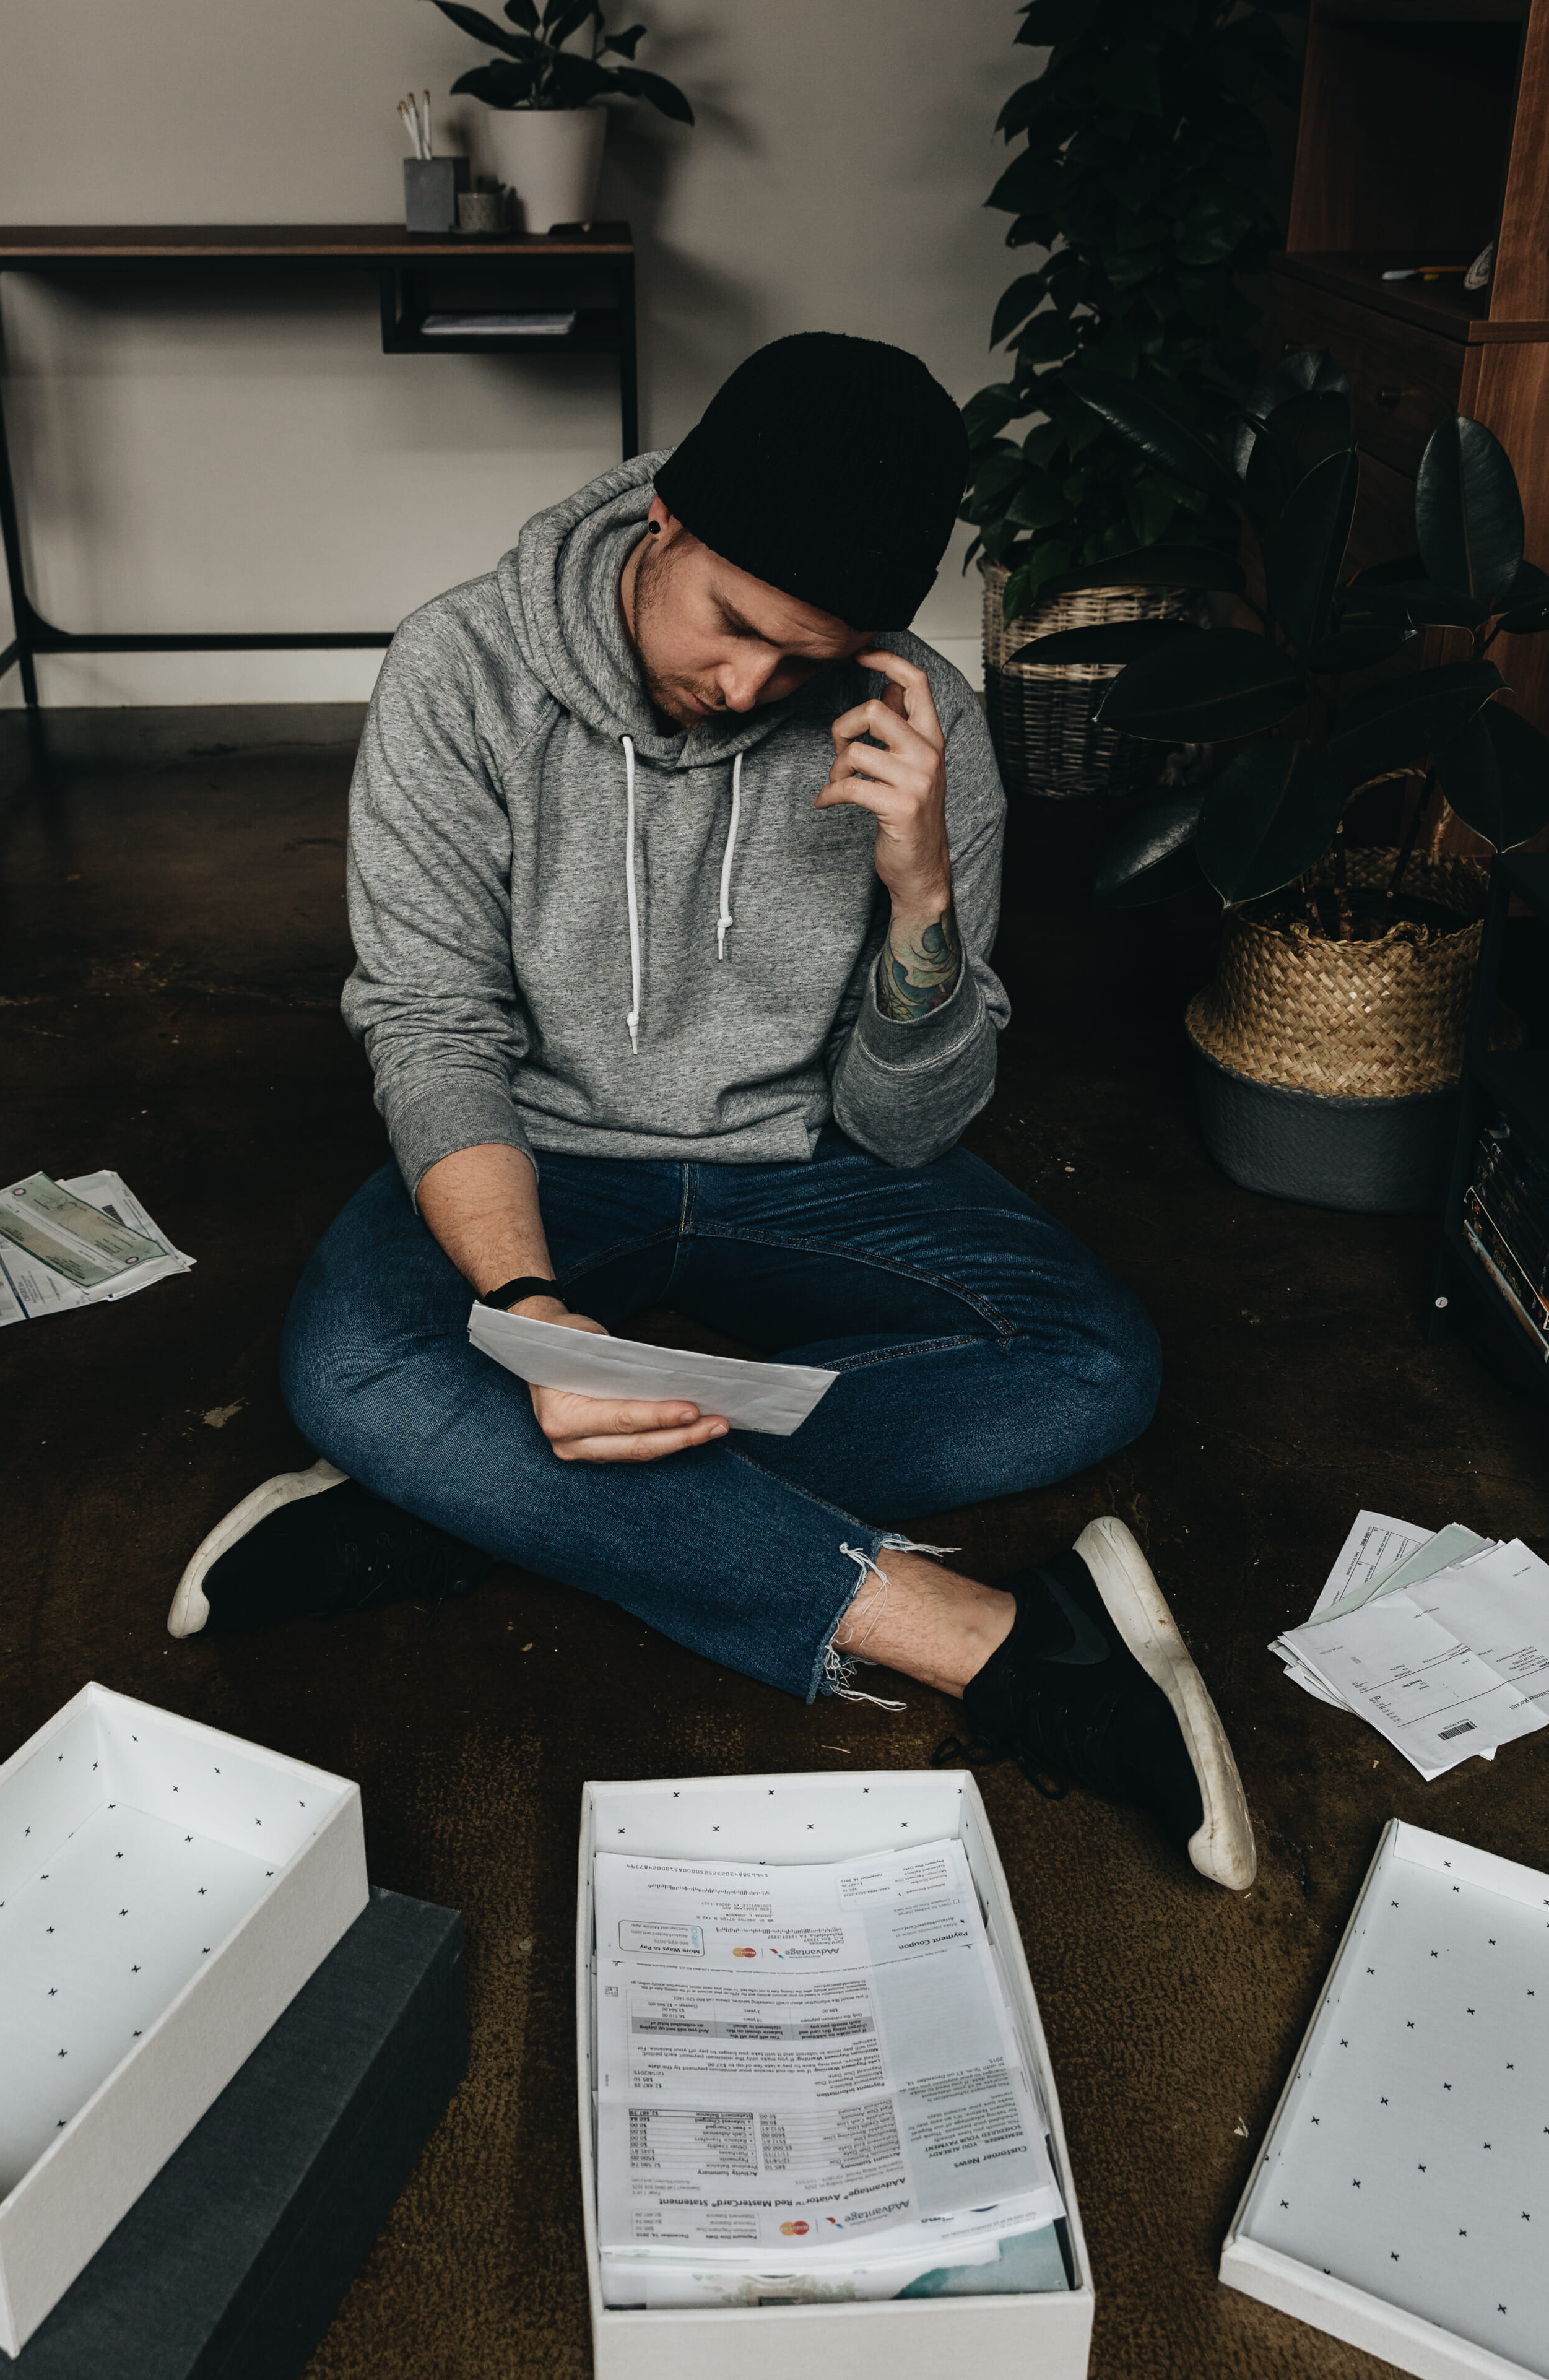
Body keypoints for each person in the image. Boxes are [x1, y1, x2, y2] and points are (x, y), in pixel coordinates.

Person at [168, 332, 1255, 1893]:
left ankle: (474, 1495)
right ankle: (1007, 1641)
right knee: (353, 1355)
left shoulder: (921, 723)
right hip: (538, 1164)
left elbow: (902, 1128)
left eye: (802, 660)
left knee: (1093, 1367)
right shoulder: (457, 670)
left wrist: (922, 899)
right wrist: (536, 1314)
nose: (748, 685)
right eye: (732, 623)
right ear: (662, 519)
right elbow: (430, 1026)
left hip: (802, 1168)